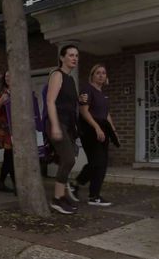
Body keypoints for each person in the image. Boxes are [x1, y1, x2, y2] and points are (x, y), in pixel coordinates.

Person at [68, 64, 117, 207]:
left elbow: (106, 114)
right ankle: (93, 196)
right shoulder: (87, 90)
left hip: (103, 130)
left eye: (103, 73)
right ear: (92, 75)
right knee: (98, 162)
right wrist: (96, 128)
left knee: (99, 164)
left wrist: (113, 130)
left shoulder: (102, 94)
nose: (101, 75)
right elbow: (84, 111)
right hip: (90, 131)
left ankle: (77, 185)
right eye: (98, 73)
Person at [46, 44, 81, 214]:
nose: (74, 58)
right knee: (68, 159)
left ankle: (61, 196)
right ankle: (57, 199)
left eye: (76, 56)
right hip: (57, 122)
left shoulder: (71, 79)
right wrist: (55, 125)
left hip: (68, 125)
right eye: (71, 55)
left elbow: (68, 103)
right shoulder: (57, 75)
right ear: (62, 58)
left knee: (66, 160)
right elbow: (50, 101)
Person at [0, 71, 16, 193]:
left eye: (10, 75)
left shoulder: (19, 91)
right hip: (4, 128)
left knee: (8, 156)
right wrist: (0, 101)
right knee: (10, 153)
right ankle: (17, 185)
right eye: (6, 76)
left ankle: (0, 183)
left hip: (16, 127)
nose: (8, 78)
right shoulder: (1, 93)